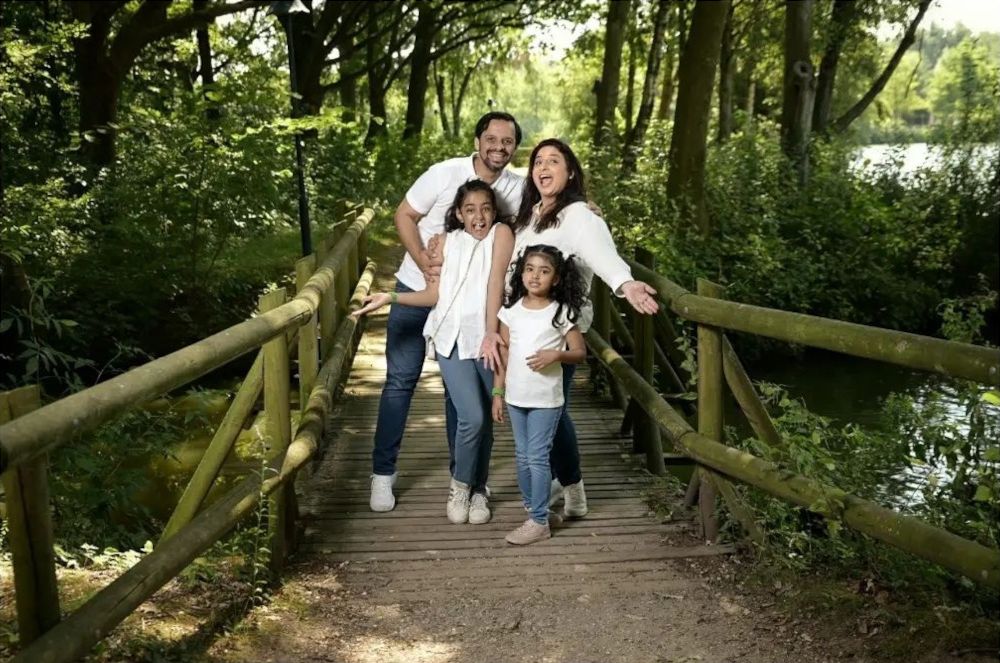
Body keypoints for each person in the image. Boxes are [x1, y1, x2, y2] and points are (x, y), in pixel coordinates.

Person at [486, 137, 660, 520]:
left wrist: (624, 283)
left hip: (558, 331)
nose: (543, 168)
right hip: (524, 325)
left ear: (571, 172)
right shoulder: (531, 214)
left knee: (553, 410)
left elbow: (603, 254)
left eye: (553, 161)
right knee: (547, 409)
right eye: (537, 162)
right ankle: (566, 485)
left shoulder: (580, 215)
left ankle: (572, 488)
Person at [367, 112, 525, 513]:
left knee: (462, 400)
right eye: (491, 138)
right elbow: (403, 215)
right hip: (416, 286)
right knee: (400, 382)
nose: (499, 147)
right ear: (477, 140)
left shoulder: (514, 186)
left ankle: (468, 481)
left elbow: (553, 193)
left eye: (507, 142)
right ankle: (383, 474)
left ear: (514, 148)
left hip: (468, 311)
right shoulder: (443, 173)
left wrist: (586, 205)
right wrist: (423, 260)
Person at [492, 245, 587, 544]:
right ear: (521, 273)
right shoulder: (510, 312)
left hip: (546, 399)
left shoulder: (562, 312)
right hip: (516, 397)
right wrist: (498, 392)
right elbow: (503, 353)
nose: (535, 276)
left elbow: (580, 353)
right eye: (530, 269)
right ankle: (537, 510)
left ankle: (538, 522)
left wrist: (556, 355)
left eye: (544, 271)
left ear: (556, 279)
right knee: (521, 457)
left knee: (537, 457)